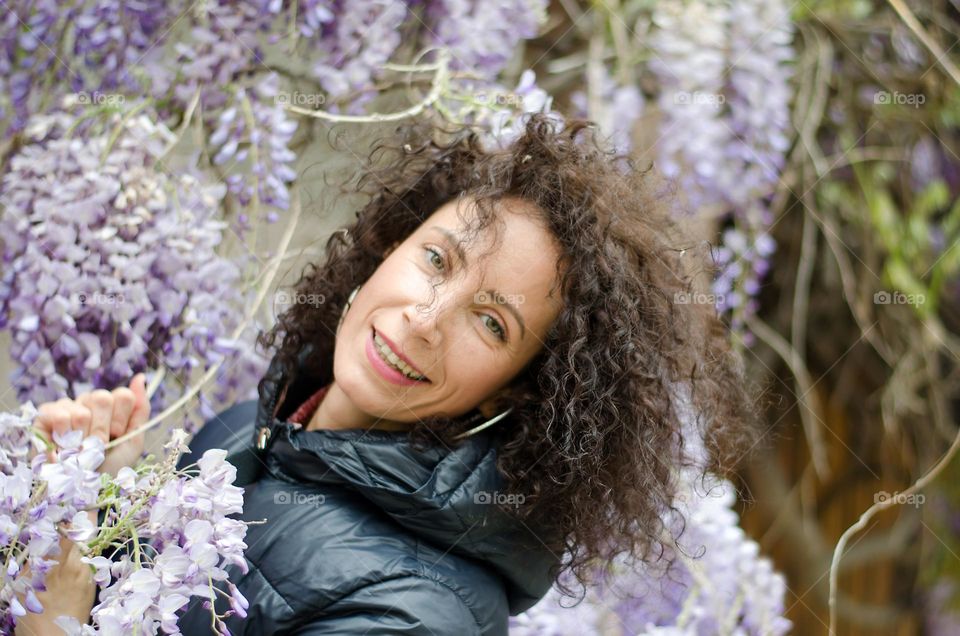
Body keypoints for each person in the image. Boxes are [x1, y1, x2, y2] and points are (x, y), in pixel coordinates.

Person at [21, 113, 759, 635]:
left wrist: (57, 600)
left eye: (491, 322)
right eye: (436, 259)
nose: (426, 316)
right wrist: (98, 502)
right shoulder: (255, 429)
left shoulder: (417, 613)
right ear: (388, 244)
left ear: (515, 391)